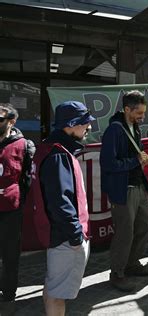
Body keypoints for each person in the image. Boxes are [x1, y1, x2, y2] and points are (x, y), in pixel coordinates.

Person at [36, 101, 94, 315]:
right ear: (70, 125)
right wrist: (76, 237)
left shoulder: (50, 148)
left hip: (59, 236)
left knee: (53, 286)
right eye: (85, 123)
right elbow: (61, 203)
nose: (89, 127)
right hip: (64, 238)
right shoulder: (58, 154)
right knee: (58, 294)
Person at [100, 90, 148, 292]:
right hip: (123, 190)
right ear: (127, 109)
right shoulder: (114, 130)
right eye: (139, 112)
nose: (142, 116)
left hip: (138, 186)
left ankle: (132, 263)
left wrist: (141, 160)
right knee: (125, 233)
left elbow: (135, 154)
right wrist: (135, 161)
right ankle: (117, 272)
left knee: (143, 227)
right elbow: (108, 163)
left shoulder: (134, 127)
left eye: (143, 112)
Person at [0, 104, 35, 310]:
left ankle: (9, 295)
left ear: (11, 121)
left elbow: (27, 178)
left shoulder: (24, 145)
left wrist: (19, 201)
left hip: (11, 209)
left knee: (10, 254)